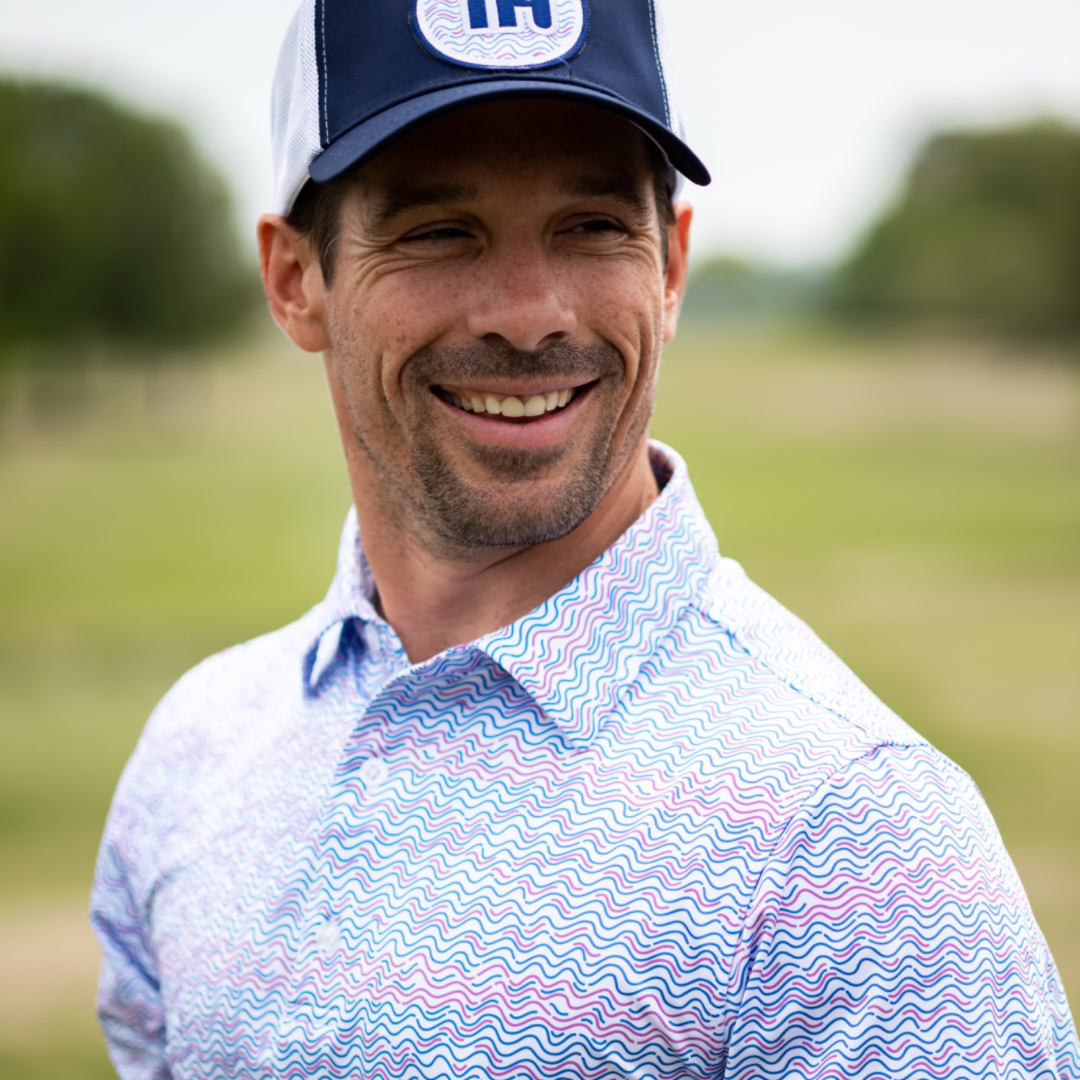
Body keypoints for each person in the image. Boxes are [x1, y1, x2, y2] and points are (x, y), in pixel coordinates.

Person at [90, 0, 1078, 1076]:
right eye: (437, 230)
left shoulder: (861, 841)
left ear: (671, 267)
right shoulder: (195, 753)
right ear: (297, 282)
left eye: (593, 226)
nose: (528, 313)